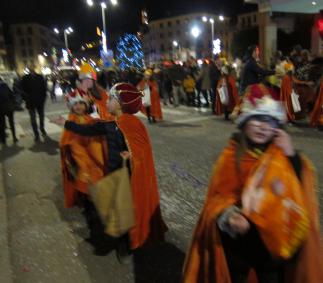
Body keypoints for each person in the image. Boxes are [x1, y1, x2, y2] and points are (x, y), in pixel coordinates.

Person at [182, 84, 322, 283]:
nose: (263, 126)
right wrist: (229, 215)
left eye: (270, 121)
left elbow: (300, 190)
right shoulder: (232, 157)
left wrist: (291, 156)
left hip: (273, 250)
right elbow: (218, 197)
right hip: (240, 249)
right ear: (244, 122)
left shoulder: (282, 154)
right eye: (256, 119)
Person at [64, 82, 168, 257]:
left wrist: (131, 156)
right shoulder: (110, 124)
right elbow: (88, 129)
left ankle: (127, 243)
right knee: (114, 210)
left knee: (125, 211)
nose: (107, 102)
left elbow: (142, 153)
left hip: (126, 175)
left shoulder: (132, 124)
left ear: (120, 104)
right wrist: (67, 124)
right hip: (113, 172)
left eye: (111, 99)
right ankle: (121, 241)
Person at [60, 94, 108, 255]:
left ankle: (98, 223)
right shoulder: (71, 121)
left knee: (96, 194)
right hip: (81, 164)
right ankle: (94, 227)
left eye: (82, 104)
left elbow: (98, 136)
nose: (79, 107)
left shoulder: (91, 119)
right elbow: (67, 142)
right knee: (89, 197)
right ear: (72, 107)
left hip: (95, 162)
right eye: (76, 105)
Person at [21, 69, 47, 142]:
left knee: (41, 116)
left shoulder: (40, 77)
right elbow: (22, 90)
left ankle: (42, 129)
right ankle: (36, 134)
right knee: (33, 119)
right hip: (30, 102)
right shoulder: (25, 78)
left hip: (39, 101)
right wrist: (25, 98)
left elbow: (44, 89)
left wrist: (43, 99)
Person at [0, 78, 18, 146]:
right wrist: (13, 103)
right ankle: (14, 137)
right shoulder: (5, 85)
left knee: (1, 124)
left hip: (0, 109)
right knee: (11, 123)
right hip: (9, 107)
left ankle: (3, 141)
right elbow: (11, 95)